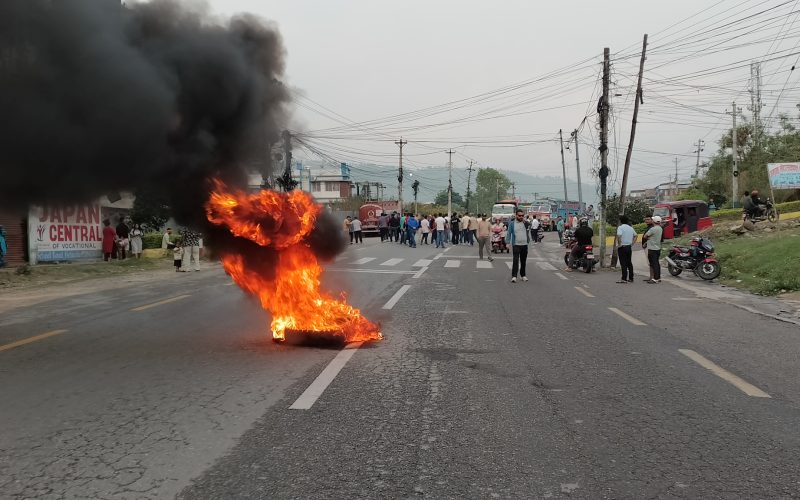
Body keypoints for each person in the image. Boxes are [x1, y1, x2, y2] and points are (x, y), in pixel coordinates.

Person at [507, 209, 530, 283]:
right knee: (515, 260)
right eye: (519, 215)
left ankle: (523, 275)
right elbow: (509, 233)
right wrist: (508, 242)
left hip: (524, 244)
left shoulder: (525, 223)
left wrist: (525, 222)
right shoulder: (512, 224)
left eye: (522, 216)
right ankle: (514, 276)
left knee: (523, 261)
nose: (521, 217)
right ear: (516, 215)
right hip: (516, 244)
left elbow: (531, 226)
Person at [616, 215, 636, 283]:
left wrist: (619, 244)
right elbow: (636, 235)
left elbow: (619, 236)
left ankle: (624, 278)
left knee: (623, 263)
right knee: (629, 262)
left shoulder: (620, 227)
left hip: (622, 247)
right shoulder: (630, 228)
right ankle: (631, 278)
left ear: (620, 221)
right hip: (628, 247)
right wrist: (632, 243)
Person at [643, 215, 663, 284]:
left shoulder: (652, 229)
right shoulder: (660, 228)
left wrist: (649, 238)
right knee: (656, 263)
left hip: (652, 248)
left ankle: (655, 278)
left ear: (653, 221)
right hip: (658, 248)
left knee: (653, 264)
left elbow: (645, 236)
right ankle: (658, 277)